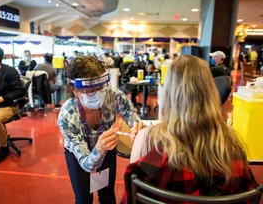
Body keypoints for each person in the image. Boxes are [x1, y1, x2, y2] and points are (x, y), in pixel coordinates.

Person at [123, 55, 257, 203]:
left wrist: (139, 144)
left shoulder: (145, 139)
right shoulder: (233, 144)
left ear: (168, 95)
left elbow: (130, 197)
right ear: (211, 93)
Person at [57, 55, 143, 204]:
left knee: (106, 194)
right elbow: (86, 164)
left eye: (100, 87)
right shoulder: (67, 116)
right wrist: (99, 149)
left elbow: (129, 112)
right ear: (74, 89)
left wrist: (136, 125)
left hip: (106, 149)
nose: (98, 94)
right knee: (84, 198)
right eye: (90, 91)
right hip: (80, 156)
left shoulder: (113, 96)